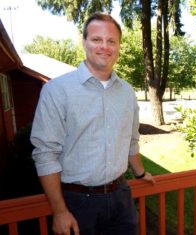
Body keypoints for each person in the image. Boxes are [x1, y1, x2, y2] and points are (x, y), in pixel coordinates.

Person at [30, 12, 155, 235]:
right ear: (84, 42)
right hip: (77, 204)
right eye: (97, 39)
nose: (104, 46)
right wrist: (59, 211)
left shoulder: (127, 92)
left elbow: (131, 140)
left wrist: (139, 173)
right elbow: (45, 153)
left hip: (121, 199)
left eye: (111, 41)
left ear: (118, 46)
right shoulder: (57, 91)